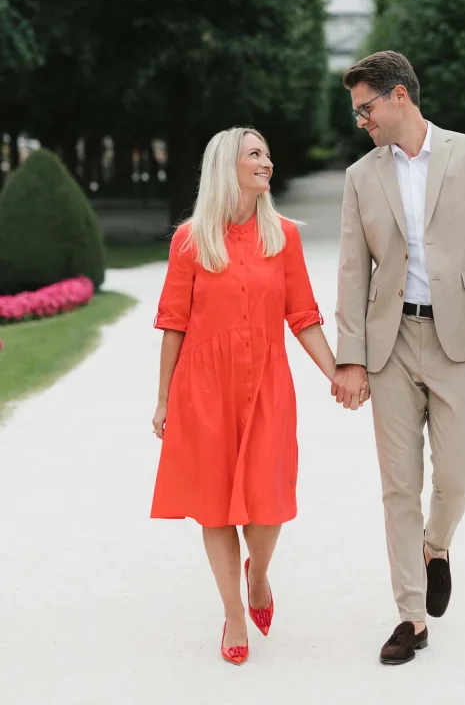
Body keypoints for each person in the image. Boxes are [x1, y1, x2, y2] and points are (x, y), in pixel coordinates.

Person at [333, 51, 465, 665]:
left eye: (366, 108)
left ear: (399, 98)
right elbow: (353, 272)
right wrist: (350, 359)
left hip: (460, 341)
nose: (361, 120)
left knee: (457, 477)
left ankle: (436, 546)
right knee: (397, 486)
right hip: (390, 345)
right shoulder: (362, 177)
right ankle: (410, 616)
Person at [150, 127, 337, 666]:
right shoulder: (189, 239)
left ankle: (260, 575)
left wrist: (337, 372)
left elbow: (303, 315)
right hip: (203, 391)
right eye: (255, 154)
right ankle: (234, 610)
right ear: (226, 165)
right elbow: (173, 323)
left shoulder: (284, 237)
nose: (267, 162)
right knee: (214, 507)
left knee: (268, 503)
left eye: (268, 154)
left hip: (268, 386)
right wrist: (163, 399)